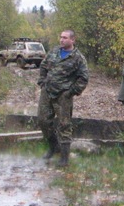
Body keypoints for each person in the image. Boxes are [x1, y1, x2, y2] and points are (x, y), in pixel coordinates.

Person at [37, 29, 89, 167]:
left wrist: (71, 91)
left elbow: (83, 78)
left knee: (64, 125)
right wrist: (42, 81)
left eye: (65, 38)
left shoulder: (78, 57)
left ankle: (64, 158)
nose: (62, 40)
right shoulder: (54, 52)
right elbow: (43, 66)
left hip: (63, 95)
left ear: (72, 40)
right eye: (61, 37)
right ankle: (53, 147)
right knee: (43, 121)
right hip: (47, 92)